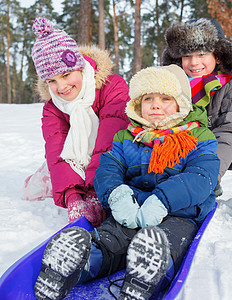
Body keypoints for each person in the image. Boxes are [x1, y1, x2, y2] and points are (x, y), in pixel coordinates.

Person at [33, 65, 220, 300]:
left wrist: (163, 200)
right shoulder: (127, 137)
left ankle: (149, 274)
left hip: (179, 213)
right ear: (137, 104)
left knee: (167, 242)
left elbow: (202, 176)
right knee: (112, 239)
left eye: (165, 98)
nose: (155, 105)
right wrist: (118, 195)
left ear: (181, 103)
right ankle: (79, 263)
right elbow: (107, 169)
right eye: (148, 98)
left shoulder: (198, 137)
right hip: (130, 211)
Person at [24, 17, 130, 226]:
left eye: (66, 74)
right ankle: (72, 186)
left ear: (80, 67)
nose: (61, 86)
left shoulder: (112, 86)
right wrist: (73, 197)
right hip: (77, 158)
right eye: (51, 81)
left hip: (113, 158)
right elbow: (56, 148)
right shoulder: (53, 107)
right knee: (32, 190)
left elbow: (110, 140)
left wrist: (94, 192)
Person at [161, 18, 232, 217]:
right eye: (187, 55)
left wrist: (209, 177)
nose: (194, 62)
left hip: (231, 149)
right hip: (189, 153)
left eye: (202, 54)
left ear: (218, 56)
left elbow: (230, 129)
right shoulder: (172, 84)